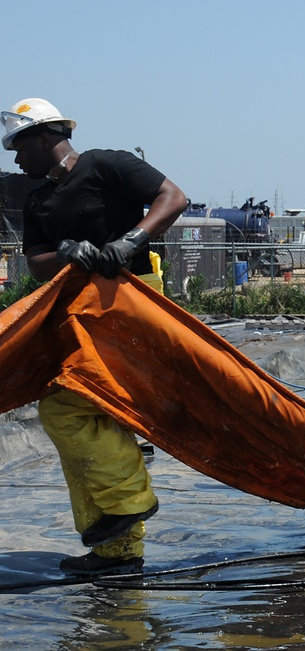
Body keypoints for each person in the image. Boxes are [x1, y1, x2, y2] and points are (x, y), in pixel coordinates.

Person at [3, 97, 188, 576]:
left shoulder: (107, 165)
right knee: (101, 415)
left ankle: (128, 503)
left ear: (46, 136)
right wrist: (68, 252)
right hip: (80, 308)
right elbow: (38, 259)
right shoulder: (38, 199)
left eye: (19, 146)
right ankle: (117, 553)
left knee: (68, 407)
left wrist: (131, 239)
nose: (15, 157)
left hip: (131, 298)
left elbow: (173, 198)